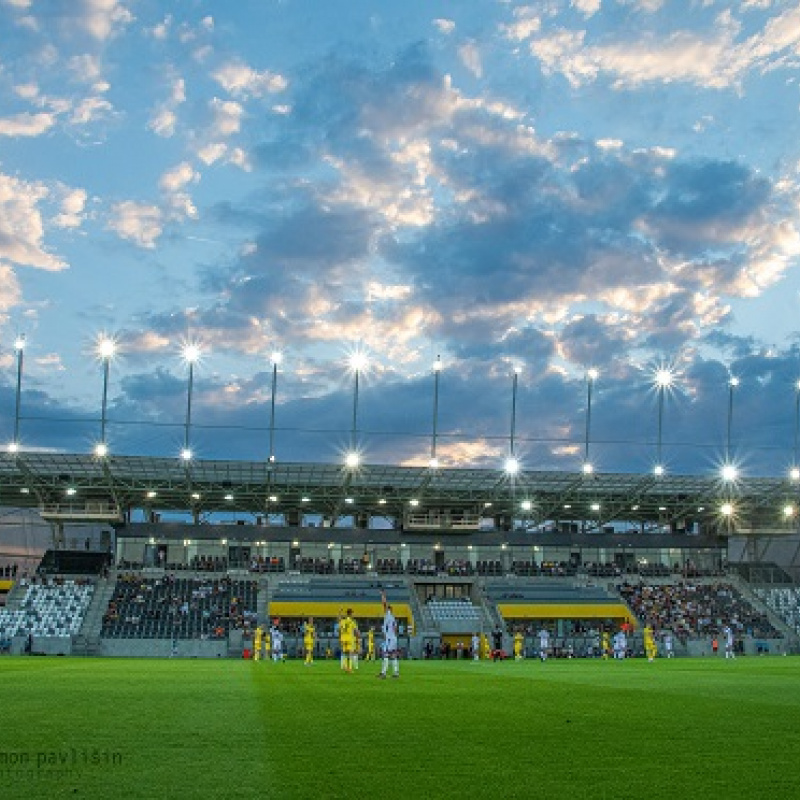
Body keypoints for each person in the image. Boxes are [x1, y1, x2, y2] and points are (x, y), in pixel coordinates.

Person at [378, 590, 399, 678]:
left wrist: (383, 595)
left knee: (385, 654)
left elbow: (384, 604)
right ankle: (396, 673)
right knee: (393, 655)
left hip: (390, 638)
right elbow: (395, 629)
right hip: (393, 638)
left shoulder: (388, 615)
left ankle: (383, 673)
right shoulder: (393, 618)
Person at [339, 608, 355, 672]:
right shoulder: (352, 621)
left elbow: (339, 619)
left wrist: (340, 612)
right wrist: (359, 635)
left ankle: (345, 667)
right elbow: (356, 630)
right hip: (349, 638)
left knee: (345, 653)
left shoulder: (343, 621)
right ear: (350, 614)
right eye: (352, 613)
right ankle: (349, 668)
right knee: (350, 654)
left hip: (343, 638)